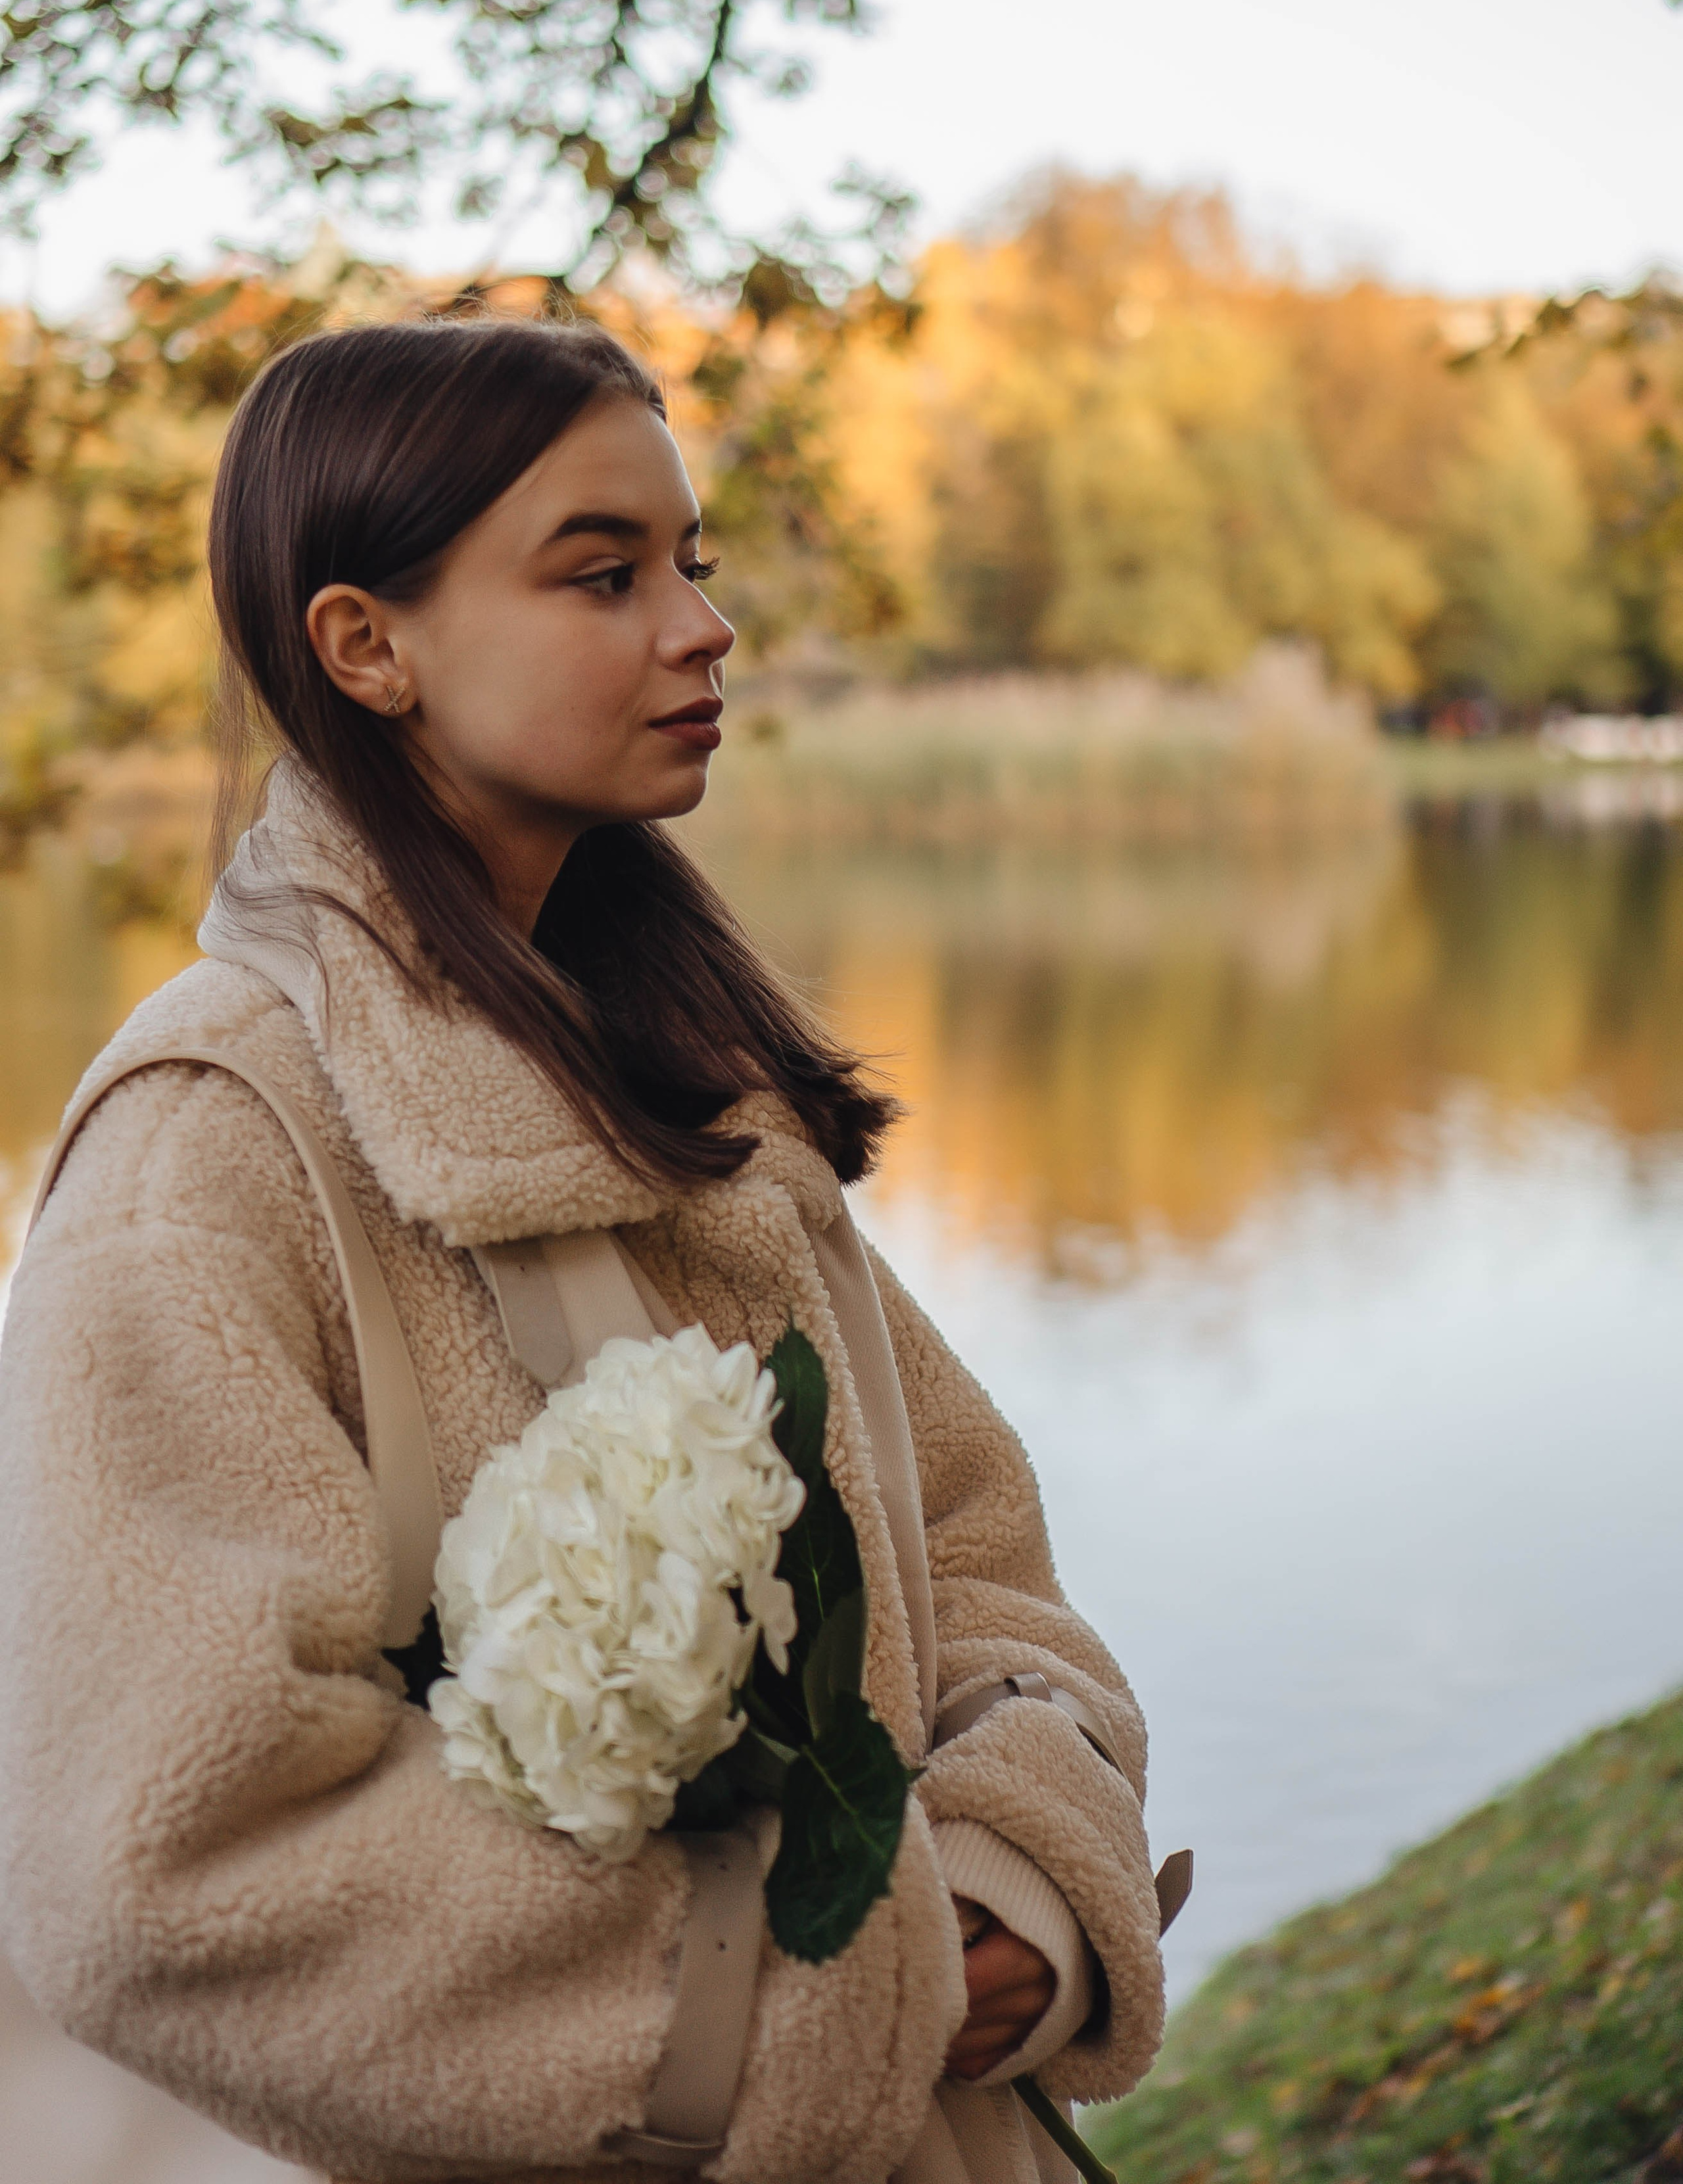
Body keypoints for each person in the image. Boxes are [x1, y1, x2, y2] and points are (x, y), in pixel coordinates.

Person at [0, 318, 1165, 2184]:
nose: (704, 628)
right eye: (602, 574)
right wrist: (824, 2008)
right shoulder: (208, 1149)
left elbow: (966, 1550)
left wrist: (1014, 1873)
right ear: (366, 644)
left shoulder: (694, 1082)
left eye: (689, 565)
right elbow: (167, 1861)